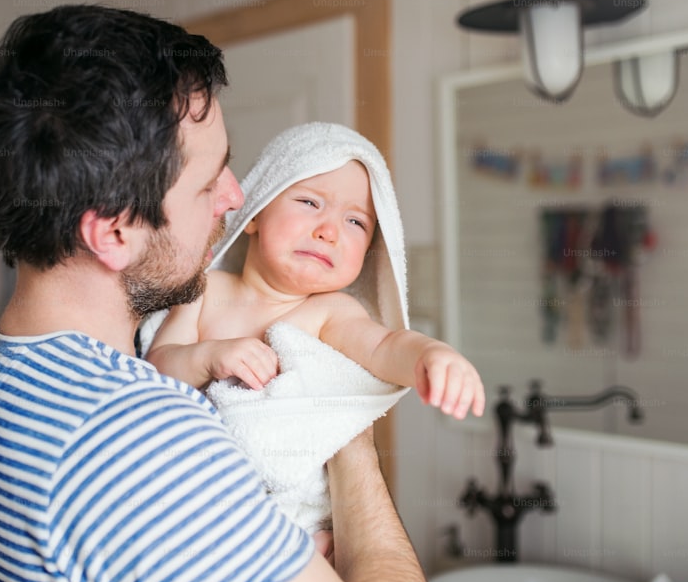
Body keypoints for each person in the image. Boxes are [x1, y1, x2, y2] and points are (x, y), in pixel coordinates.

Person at [0, 4, 432, 582]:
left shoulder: (22, 366)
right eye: (210, 182)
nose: (236, 198)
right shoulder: (139, 440)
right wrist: (341, 422)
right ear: (113, 233)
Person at [146, 122, 485, 418]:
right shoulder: (204, 290)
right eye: (310, 203)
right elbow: (156, 366)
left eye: (355, 221)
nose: (329, 232)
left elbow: (386, 348)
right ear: (254, 213)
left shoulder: (330, 313)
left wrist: (431, 354)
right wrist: (208, 357)